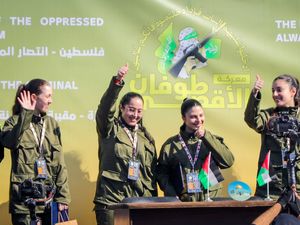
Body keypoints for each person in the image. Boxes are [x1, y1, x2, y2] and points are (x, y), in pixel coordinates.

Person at [0, 79, 71, 225]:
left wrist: (63, 197)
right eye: (48, 96)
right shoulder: (13, 122)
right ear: (34, 98)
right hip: (25, 205)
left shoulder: (52, 124)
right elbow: (10, 142)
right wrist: (25, 114)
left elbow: (60, 164)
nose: (51, 101)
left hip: (49, 203)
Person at [94, 64, 157, 225]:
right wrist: (116, 83)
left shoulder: (146, 138)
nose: (135, 115)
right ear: (121, 107)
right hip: (112, 200)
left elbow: (151, 175)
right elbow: (104, 110)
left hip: (140, 202)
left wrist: (153, 204)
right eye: (131, 109)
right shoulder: (109, 129)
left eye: (139, 111)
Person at [244, 74, 300, 224]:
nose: (275, 94)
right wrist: (255, 94)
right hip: (270, 192)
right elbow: (252, 120)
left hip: (298, 192)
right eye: (273, 90)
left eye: (279, 90)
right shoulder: (268, 115)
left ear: (293, 91)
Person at [157, 98, 234, 201]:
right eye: (193, 117)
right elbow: (162, 174)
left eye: (201, 115)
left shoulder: (212, 139)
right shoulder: (170, 145)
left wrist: (206, 137)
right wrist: (172, 195)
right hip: (183, 204)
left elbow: (228, 161)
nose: (198, 120)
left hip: (211, 202)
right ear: (184, 118)